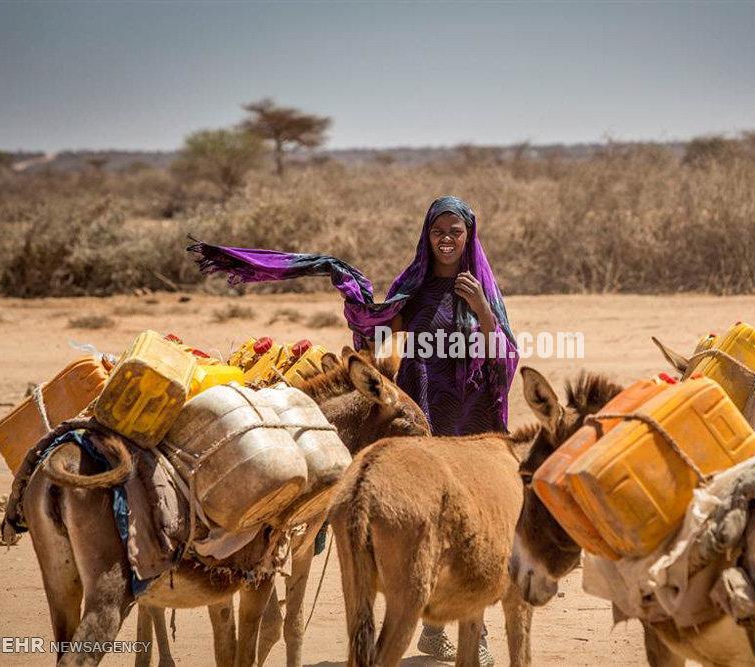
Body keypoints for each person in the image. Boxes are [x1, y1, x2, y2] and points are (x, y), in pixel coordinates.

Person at [188, 195, 517, 665]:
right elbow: (378, 330)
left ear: (469, 237)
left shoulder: (482, 287)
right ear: (427, 236)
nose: (446, 239)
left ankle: (474, 630)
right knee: (426, 514)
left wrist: (482, 309)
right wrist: (358, 304)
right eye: (438, 231)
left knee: (470, 520)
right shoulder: (415, 286)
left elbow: (504, 353)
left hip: (470, 414)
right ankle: (430, 624)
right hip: (422, 410)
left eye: (455, 232)